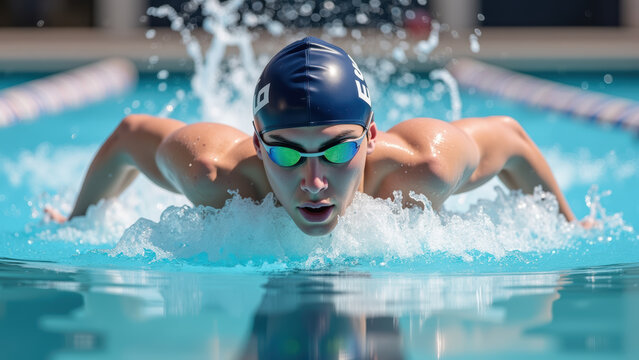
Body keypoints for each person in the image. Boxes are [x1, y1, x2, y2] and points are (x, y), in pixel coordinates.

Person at [46, 37, 581, 236]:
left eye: (340, 148)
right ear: (257, 144)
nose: (314, 180)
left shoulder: (425, 168)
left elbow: (510, 138)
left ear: (371, 136)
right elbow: (129, 133)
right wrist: (76, 222)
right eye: (284, 151)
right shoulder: (214, 175)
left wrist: (570, 225)